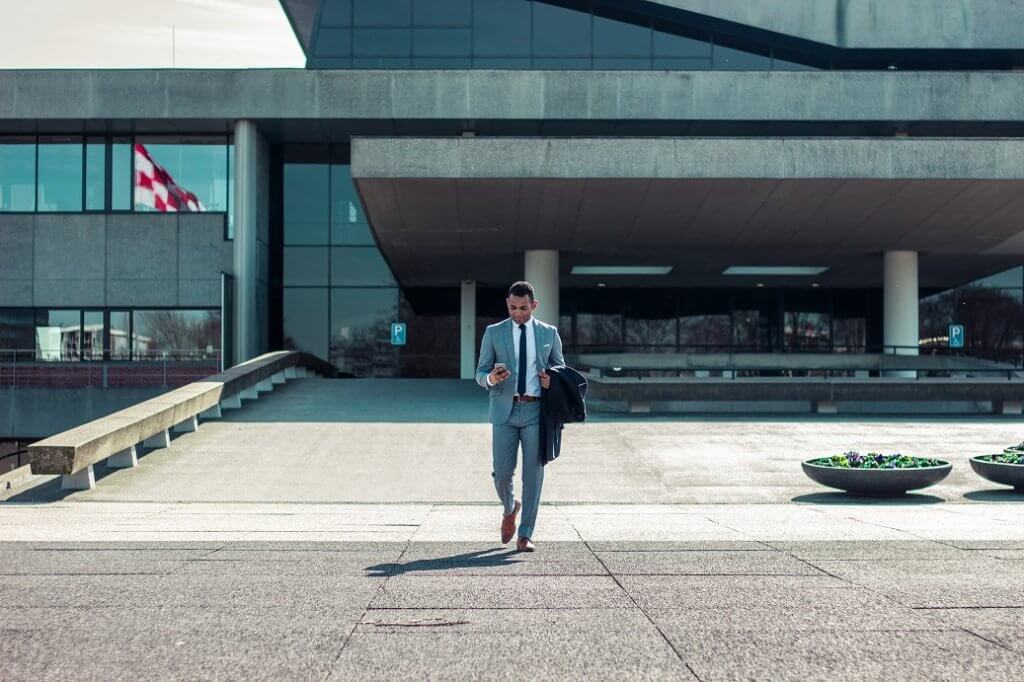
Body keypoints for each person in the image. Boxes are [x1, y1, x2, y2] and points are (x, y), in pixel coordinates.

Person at [475, 281, 565, 552]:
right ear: (507, 304)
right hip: (504, 410)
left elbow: (562, 369)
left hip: (537, 411)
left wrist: (553, 380)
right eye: (513, 308)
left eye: (524, 308)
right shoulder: (494, 333)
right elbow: (480, 373)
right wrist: (490, 378)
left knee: (533, 476)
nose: (518, 313)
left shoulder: (550, 333)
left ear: (534, 305)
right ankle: (509, 506)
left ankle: (525, 535)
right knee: (502, 474)